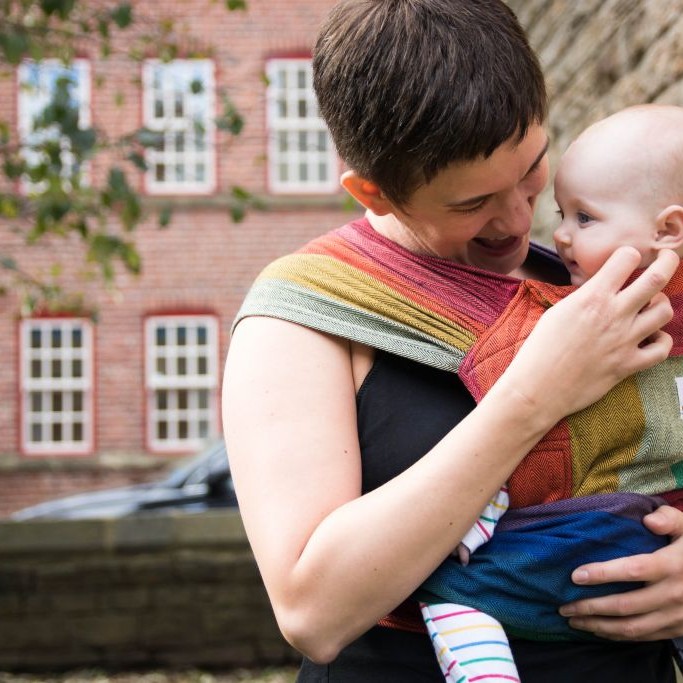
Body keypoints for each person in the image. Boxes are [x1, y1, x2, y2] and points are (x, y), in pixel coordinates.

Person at [222, 2, 683, 681]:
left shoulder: (602, 275)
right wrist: (533, 394)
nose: (521, 221)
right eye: (470, 204)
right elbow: (312, 610)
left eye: (530, 171)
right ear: (371, 192)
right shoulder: (299, 319)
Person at [418, 104, 683, 682]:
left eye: (585, 218)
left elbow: (516, 400)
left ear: (667, 231)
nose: (556, 234)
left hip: (612, 532)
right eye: (564, 213)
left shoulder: (573, 308)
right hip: (618, 530)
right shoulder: (571, 305)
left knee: (463, 585)